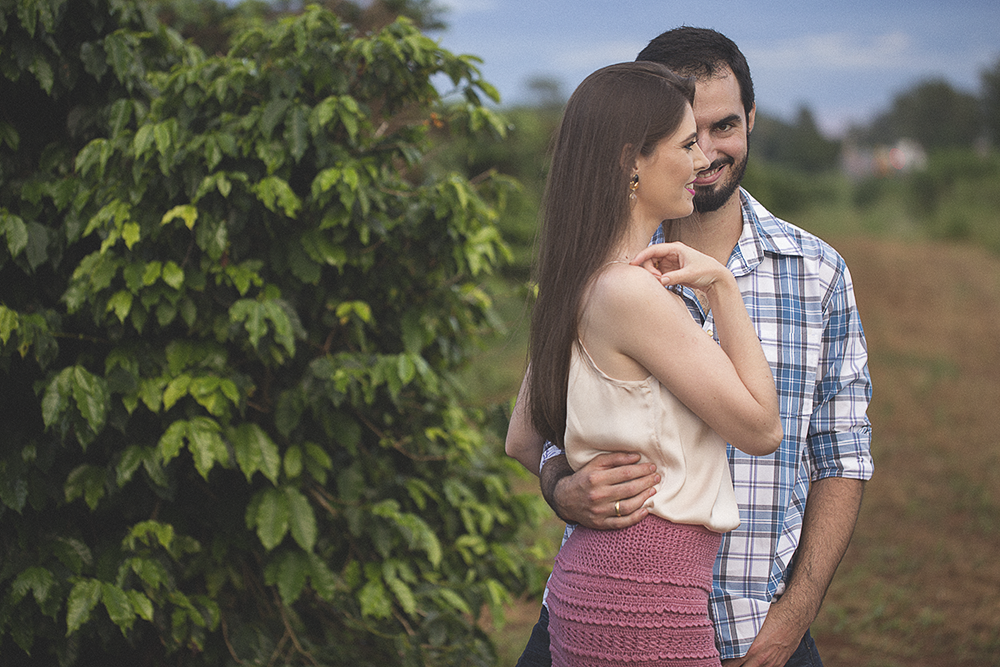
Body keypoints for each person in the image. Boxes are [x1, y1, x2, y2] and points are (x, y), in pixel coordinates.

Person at [507, 27, 874, 667]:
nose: (705, 155)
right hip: (636, 603)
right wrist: (559, 483)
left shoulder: (816, 272)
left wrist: (797, 612)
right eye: (686, 137)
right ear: (634, 155)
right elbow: (529, 434)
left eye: (722, 127)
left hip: (758, 623)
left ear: (751, 120)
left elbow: (841, 452)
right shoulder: (619, 282)